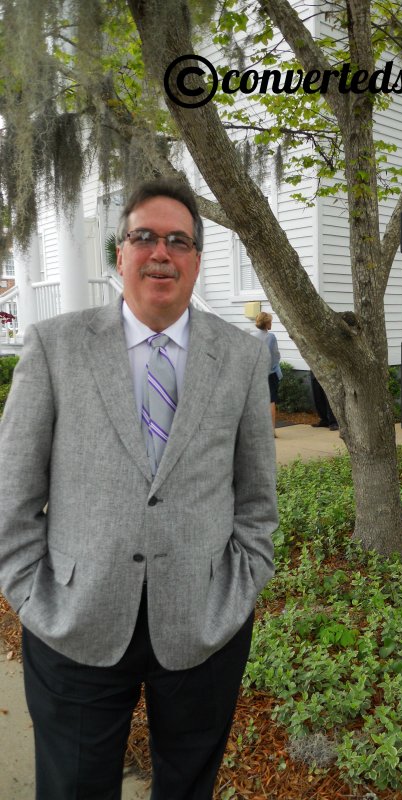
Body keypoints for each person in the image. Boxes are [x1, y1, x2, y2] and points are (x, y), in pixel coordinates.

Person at [0, 178, 278, 800]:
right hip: (75, 618)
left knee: (187, 788)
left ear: (197, 260)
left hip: (204, 620)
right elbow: (11, 495)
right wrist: (32, 592)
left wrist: (241, 583)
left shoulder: (240, 357)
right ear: (119, 254)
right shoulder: (55, 346)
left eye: (178, 240)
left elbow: (258, 498)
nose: (161, 252)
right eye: (143, 237)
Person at [251, 311, 282, 435]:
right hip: (269, 374)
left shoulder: (251, 335)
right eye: (270, 321)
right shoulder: (271, 337)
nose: (271, 324)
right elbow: (275, 356)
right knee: (270, 401)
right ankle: (271, 431)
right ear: (267, 323)